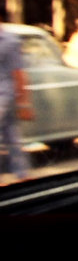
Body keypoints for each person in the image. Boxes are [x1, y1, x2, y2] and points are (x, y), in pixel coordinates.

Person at [0, 24, 34, 183]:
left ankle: (22, 176)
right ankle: (22, 174)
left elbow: (19, 73)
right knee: (11, 136)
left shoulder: (9, 41)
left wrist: (23, 103)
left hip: (4, 95)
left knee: (12, 135)